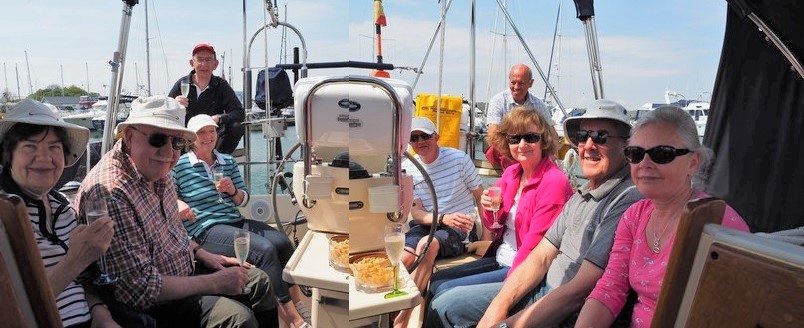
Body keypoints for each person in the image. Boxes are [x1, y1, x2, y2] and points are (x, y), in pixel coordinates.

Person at [425, 99, 643, 328]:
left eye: (601, 137)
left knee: (446, 302)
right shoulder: (580, 192)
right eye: (582, 136)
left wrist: (503, 324)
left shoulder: (624, 199)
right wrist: (499, 304)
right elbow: (541, 255)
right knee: (443, 299)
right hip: (529, 276)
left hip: (555, 301)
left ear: (626, 146)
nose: (588, 145)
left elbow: (578, 290)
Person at [75, 96, 277, 327]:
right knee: (238, 320)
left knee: (259, 282)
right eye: (158, 139)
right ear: (129, 137)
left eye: (177, 142)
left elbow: (172, 231)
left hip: (185, 270)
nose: (169, 152)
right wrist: (215, 282)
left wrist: (202, 253)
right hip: (157, 303)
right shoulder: (112, 193)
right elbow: (139, 290)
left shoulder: (157, 171)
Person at [574, 105, 751, 328]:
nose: (644, 164)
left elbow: (738, 312)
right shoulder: (634, 216)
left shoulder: (720, 223)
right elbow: (611, 288)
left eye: (662, 154)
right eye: (635, 153)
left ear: (693, 162)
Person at [426, 105, 573, 317]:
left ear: (544, 140)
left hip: (523, 270)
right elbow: (494, 225)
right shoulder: (513, 173)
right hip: (500, 257)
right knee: (436, 281)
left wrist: (507, 293)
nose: (522, 144)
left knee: (444, 295)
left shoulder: (554, 183)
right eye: (515, 139)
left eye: (530, 137)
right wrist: (488, 207)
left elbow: (535, 248)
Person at [172, 114, 311, 328]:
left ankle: (298, 303)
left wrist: (232, 190)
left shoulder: (227, 161)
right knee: (265, 250)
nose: (208, 136)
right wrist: (179, 203)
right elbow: (167, 198)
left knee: (283, 243)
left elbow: (243, 199)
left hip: (233, 220)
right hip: (205, 228)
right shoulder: (179, 166)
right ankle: (294, 320)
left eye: (211, 131)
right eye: (201, 132)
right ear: (191, 138)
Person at [0, 99, 119, 327]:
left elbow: (79, 281)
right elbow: (10, 310)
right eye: (30, 146)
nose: (45, 158)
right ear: (8, 154)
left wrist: (100, 313)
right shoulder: (4, 215)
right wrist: (76, 259)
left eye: (54, 147)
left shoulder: (61, 205)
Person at [395, 116, 485, 327]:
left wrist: (487, 240)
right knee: (402, 259)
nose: (420, 141)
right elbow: (417, 213)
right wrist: (443, 218)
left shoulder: (459, 159)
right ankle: (391, 309)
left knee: (425, 245)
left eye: (425, 136)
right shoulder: (408, 167)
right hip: (428, 223)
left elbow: (481, 198)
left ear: (436, 137)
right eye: (414, 138)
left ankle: (403, 318)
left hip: (460, 226)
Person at [169, 43, 245, 154]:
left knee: (236, 127)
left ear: (215, 64)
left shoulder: (221, 85)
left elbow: (238, 112)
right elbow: (165, 113)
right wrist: (174, 104)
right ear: (192, 63)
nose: (204, 64)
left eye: (208, 60)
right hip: (187, 137)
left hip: (211, 136)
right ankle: (179, 162)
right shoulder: (182, 84)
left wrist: (219, 118)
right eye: (199, 60)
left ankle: (217, 160)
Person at [484, 64, 551, 169]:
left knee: (547, 159)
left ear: (531, 83)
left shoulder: (539, 105)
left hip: (529, 149)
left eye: (521, 83)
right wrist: (516, 151)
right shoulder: (498, 101)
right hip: (504, 149)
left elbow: (551, 133)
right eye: (513, 82)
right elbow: (493, 134)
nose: (516, 87)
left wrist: (552, 155)